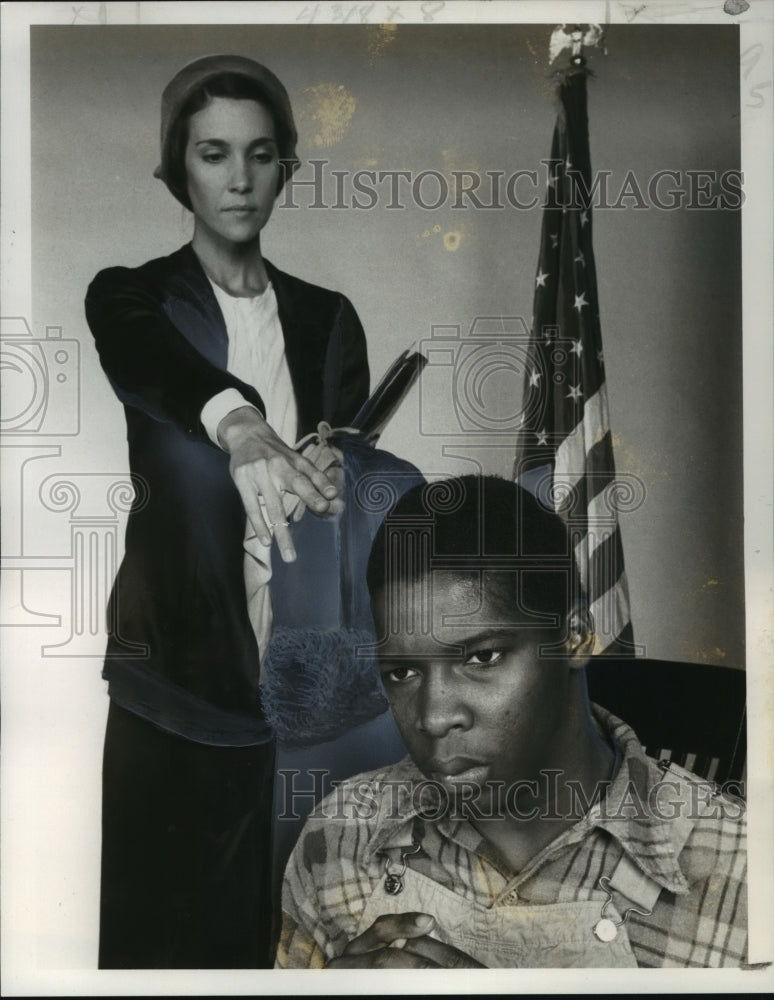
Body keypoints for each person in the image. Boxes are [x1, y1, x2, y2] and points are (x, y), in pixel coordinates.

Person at [85, 54, 370, 969]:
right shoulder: (132, 296)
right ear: (178, 168)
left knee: (298, 944)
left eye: (260, 153)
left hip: (309, 687)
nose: (239, 178)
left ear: (287, 163)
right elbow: (155, 369)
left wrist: (341, 470)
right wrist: (240, 424)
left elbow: (353, 489)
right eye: (213, 154)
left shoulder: (330, 318)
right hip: (176, 684)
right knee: (160, 953)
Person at [276, 475, 748, 969]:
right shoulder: (338, 835)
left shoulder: (744, 874)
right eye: (403, 671)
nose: (434, 717)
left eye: (482, 657)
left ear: (575, 637)